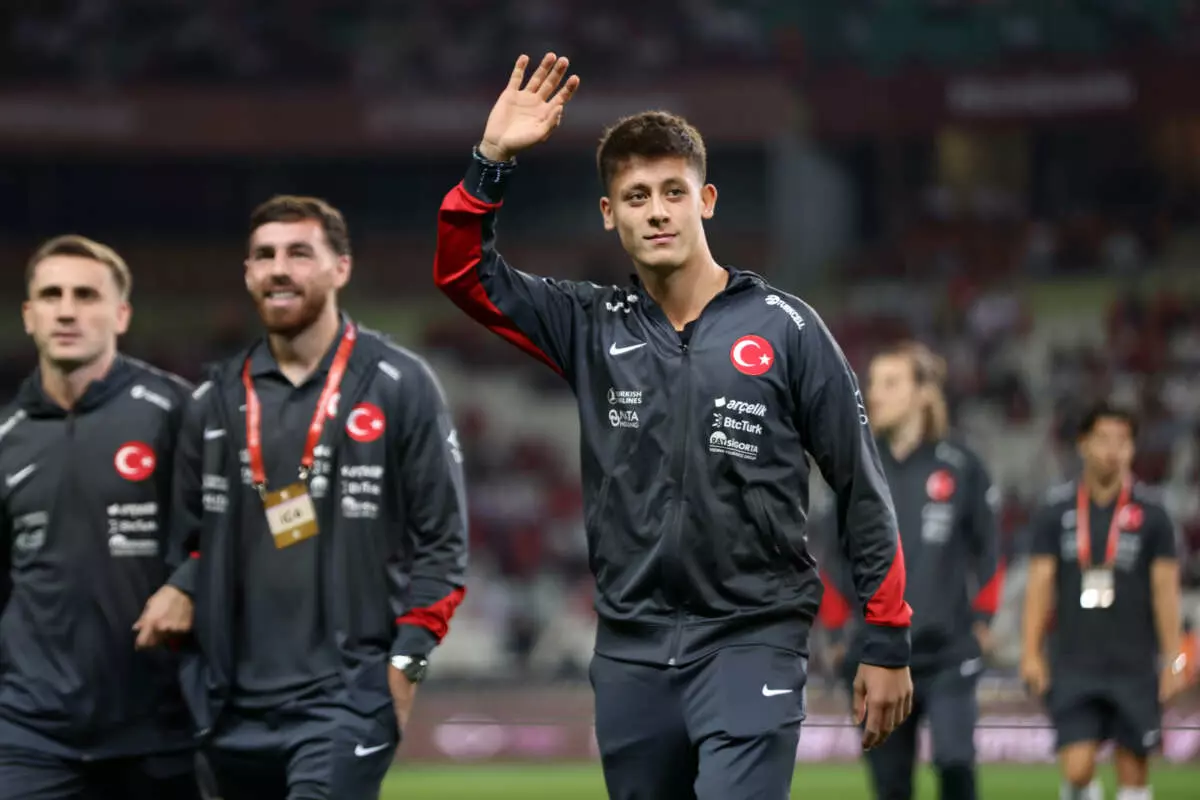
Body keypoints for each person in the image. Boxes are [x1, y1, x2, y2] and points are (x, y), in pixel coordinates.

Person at [433, 52, 914, 799]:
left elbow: (861, 488)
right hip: (631, 651)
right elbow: (464, 274)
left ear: (706, 200)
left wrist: (886, 642)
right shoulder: (589, 324)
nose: (655, 210)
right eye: (634, 196)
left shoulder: (788, 328)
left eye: (671, 192)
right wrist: (490, 160)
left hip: (754, 637)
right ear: (609, 213)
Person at [136, 196, 469, 800]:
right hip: (225, 707)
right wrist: (182, 582)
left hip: (344, 699)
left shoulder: (401, 383)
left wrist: (407, 663)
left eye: (299, 253)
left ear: (341, 267)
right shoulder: (211, 400)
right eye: (264, 256)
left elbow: (443, 542)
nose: (279, 268)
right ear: (247, 274)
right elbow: (188, 544)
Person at [0, 235, 200, 799]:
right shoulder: (6, 439)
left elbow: (239, 530)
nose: (67, 309)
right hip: (30, 732)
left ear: (121, 314)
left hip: (158, 728)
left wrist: (188, 581)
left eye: (86, 295)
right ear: (29, 315)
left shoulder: (179, 412)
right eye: (51, 295)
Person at [820, 342, 1003, 800]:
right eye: (872, 384)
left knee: (956, 764)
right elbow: (828, 559)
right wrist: (840, 631)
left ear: (923, 393)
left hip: (948, 653)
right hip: (875, 655)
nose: (873, 394)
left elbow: (992, 552)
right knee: (890, 787)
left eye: (889, 383)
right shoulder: (853, 466)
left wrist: (982, 622)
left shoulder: (963, 467)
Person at [1021, 402, 1186, 800]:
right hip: (1074, 663)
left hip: (1134, 665)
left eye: (1123, 441)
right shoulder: (1055, 510)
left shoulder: (1153, 514)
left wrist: (1174, 658)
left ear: (1133, 448)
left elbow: (1165, 590)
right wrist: (1031, 652)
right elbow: (1040, 584)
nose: (1114, 449)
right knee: (1077, 769)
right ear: (1083, 444)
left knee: (1134, 770)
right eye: (1103, 439)